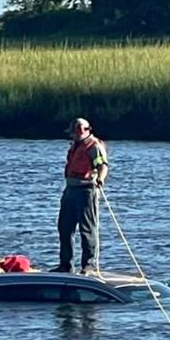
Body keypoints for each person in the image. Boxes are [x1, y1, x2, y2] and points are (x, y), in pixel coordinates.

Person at [55, 117, 109, 274]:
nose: (72, 136)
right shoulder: (76, 145)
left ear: (83, 131)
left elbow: (102, 165)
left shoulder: (94, 146)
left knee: (87, 229)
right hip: (70, 190)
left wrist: (100, 178)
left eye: (74, 133)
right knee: (64, 228)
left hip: (86, 191)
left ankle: (89, 265)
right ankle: (65, 265)